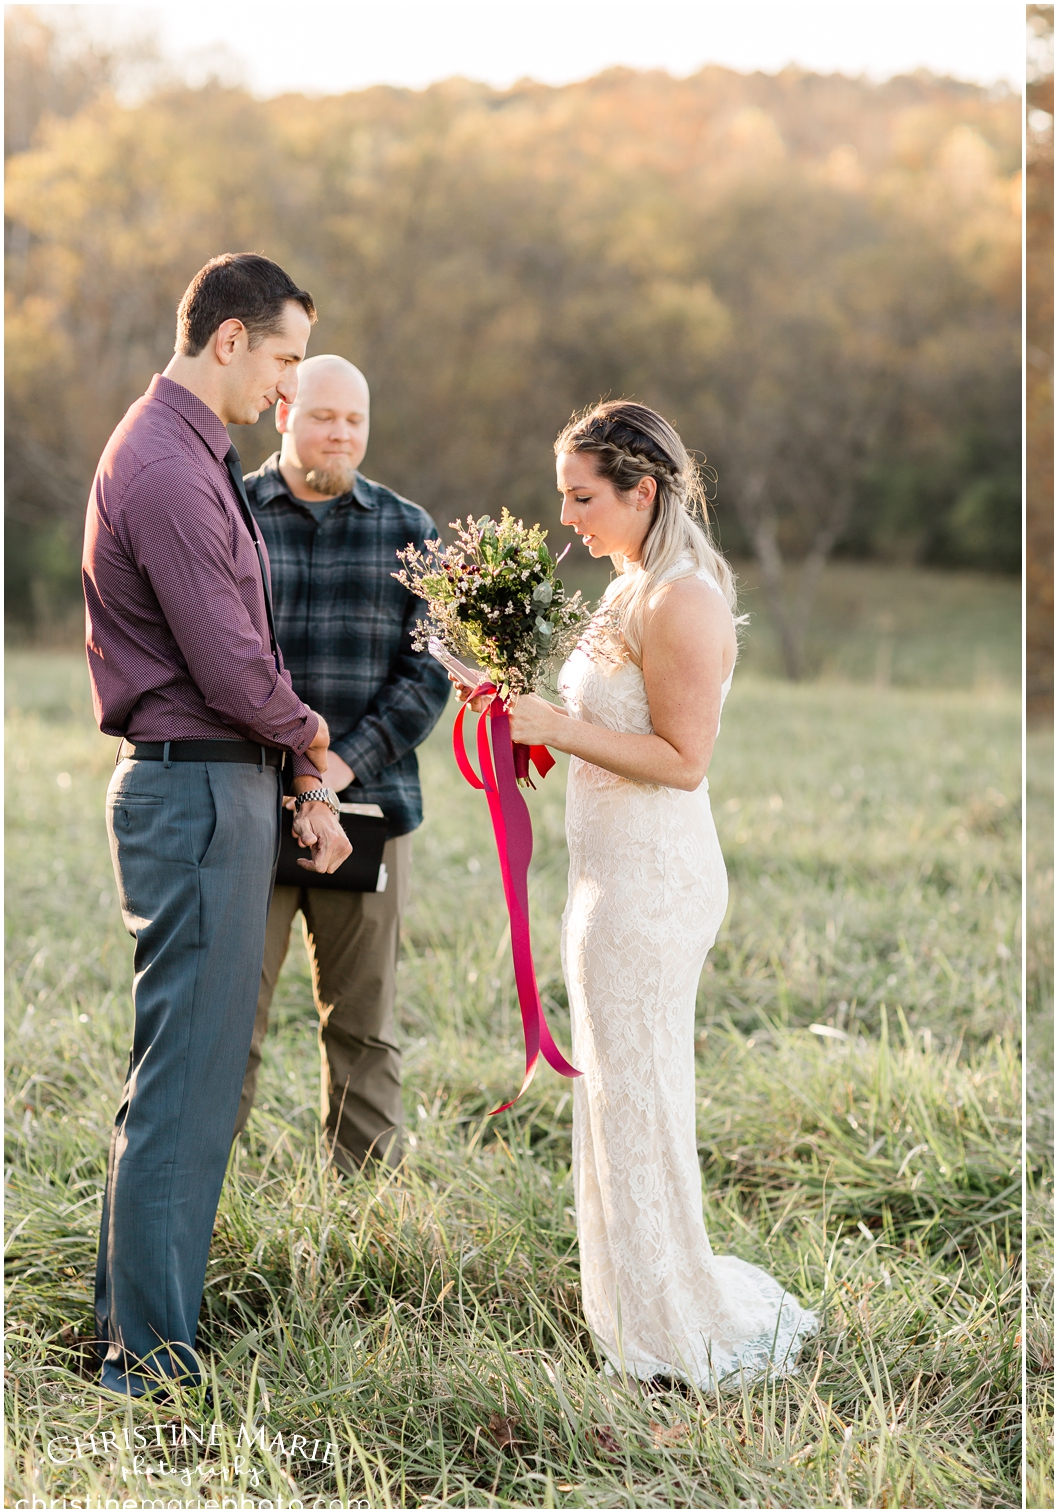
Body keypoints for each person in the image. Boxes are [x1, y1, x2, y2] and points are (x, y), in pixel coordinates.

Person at [474, 400, 817, 1386]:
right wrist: (528, 725)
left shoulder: (682, 599)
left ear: (642, 489)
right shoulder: (623, 586)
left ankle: (673, 1326)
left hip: (652, 883)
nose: (568, 518)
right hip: (603, 873)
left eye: (583, 498)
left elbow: (682, 757)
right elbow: (599, 722)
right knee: (614, 1093)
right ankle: (631, 1304)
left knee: (640, 1095)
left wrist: (561, 725)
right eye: (563, 497)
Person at [81, 252, 350, 1397]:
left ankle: (128, 1331)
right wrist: (312, 740)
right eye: (285, 359)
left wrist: (288, 760)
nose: (288, 391)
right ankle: (145, 1361)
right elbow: (234, 663)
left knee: (177, 1079)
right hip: (194, 789)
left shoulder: (192, 454)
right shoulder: (168, 467)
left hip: (214, 785)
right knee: (188, 1086)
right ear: (229, 339)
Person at [235, 354, 449, 1170]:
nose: (341, 433)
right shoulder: (234, 514)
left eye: (355, 420)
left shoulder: (411, 530)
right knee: (226, 1026)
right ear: (284, 409)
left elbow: (429, 675)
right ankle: (197, 1217)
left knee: (363, 1026)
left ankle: (366, 1224)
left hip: (370, 811)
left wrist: (334, 771)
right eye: (325, 416)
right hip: (248, 807)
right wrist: (297, 775)